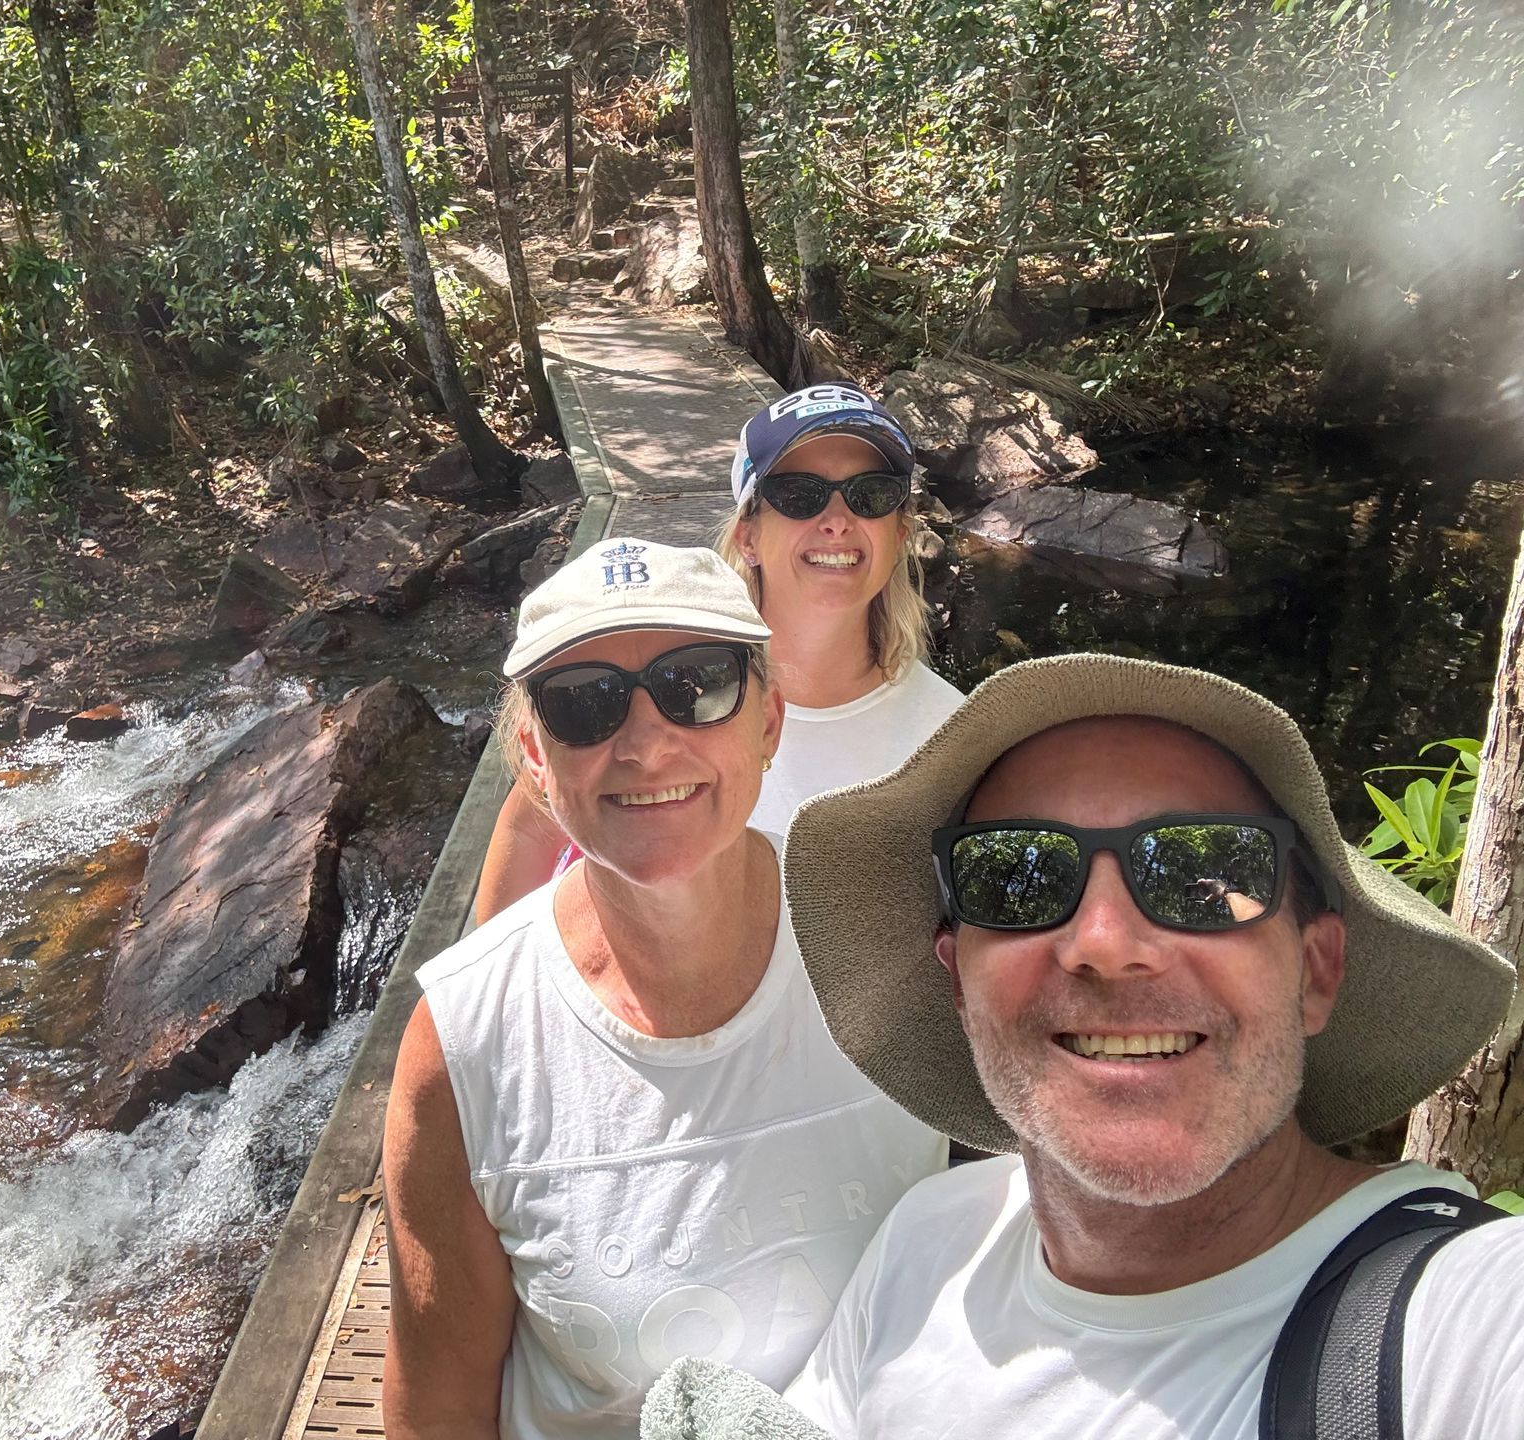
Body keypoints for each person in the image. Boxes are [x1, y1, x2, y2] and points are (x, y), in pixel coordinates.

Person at [757, 653, 1524, 1438]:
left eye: (1206, 874)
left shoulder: (1467, 1324)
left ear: (1315, 974)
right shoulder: (927, 1248)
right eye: (1019, 877)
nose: (1104, 942)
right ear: (958, 982)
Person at [383, 539, 949, 1439]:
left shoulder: (897, 949)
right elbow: (436, 1407)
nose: (647, 744)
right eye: (583, 705)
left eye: (699, 684)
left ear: (769, 721)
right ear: (533, 756)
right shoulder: (463, 1047)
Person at [472, 383, 961, 923]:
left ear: (901, 532)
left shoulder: (954, 733)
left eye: (870, 494)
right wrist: (491, 993)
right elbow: (533, 817)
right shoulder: (661, 672)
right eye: (799, 494)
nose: (838, 520)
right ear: (748, 537)